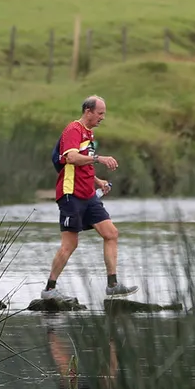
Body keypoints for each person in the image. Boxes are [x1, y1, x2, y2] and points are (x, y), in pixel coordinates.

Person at [46, 95, 135, 298]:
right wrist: (99, 158)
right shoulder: (73, 130)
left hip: (89, 195)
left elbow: (83, 165)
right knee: (70, 245)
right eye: (100, 113)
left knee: (111, 233)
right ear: (88, 111)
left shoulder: (89, 134)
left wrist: (98, 181)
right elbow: (71, 158)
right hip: (71, 194)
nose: (102, 117)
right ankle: (49, 289)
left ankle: (112, 285)